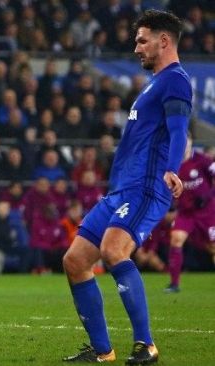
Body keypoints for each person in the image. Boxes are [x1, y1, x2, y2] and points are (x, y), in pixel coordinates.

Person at [62, 10, 190, 365]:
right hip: (120, 189)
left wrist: (171, 169)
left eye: (142, 40)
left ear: (164, 41)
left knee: (115, 250)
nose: (136, 48)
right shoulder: (154, 83)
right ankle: (103, 352)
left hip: (146, 187)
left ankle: (145, 345)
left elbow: (180, 130)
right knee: (74, 261)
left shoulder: (175, 81)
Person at [165, 133, 215, 292]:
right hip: (186, 213)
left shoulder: (202, 160)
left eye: (187, 141)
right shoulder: (170, 165)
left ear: (191, 142)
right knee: (176, 239)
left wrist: (208, 195)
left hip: (207, 211)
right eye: (180, 141)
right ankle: (174, 283)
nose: (184, 144)